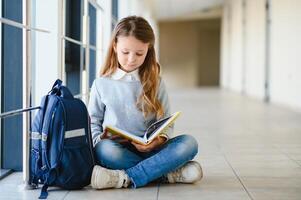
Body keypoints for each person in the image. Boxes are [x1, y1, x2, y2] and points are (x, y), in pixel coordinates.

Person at [88, 15, 203, 189]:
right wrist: (99, 139)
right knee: (104, 150)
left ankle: (125, 177)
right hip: (119, 150)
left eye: (139, 53)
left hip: (153, 149)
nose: (131, 59)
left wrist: (158, 140)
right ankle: (165, 172)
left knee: (189, 143)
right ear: (114, 47)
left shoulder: (156, 81)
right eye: (125, 52)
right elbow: (93, 122)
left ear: (148, 51)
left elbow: (166, 121)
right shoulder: (101, 84)